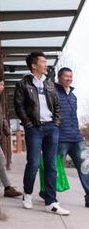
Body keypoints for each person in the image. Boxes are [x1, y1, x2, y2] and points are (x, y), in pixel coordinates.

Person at [14, 51, 70, 215]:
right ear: (34, 65)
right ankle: (28, 194)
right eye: (43, 62)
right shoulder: (23, 83)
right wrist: (29, 124)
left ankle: (51, 202)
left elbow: (57, 106)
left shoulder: (50, 83)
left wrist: (56, 123)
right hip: (35, 129)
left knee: (51, 165)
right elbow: (19, 106)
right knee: (33, 163)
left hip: (51, 127)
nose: (46, 64)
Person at [55, 67, 89, 208]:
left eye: (71, 76)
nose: (69, 79)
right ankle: (48, 194)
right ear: (59, 78)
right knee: (55, 168)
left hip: (76, 138)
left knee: (85, 167)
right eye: (66, 76)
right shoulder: (54, 93)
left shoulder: (73, 96)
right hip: (61, 138)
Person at [0, 75, 22, 198]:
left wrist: (6, 130)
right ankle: (7, 187)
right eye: (0, 84)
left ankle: (5, 186)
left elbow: (2, 116)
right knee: (1, 159)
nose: (2, 87)